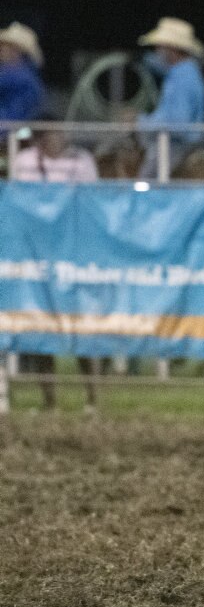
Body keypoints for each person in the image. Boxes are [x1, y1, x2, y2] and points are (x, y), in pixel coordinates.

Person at [11, 116, 102, 410]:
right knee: (40, 330)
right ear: (41, 136)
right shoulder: (24, 161)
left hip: (74, 257)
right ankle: (49, 401)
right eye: (55, 132)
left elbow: (94, 203)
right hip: (37, 258)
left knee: (81, 330)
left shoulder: (83, 161)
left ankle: (92, 399)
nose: (62, 137)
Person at [134, 18, 204, 178]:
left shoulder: (183, 77)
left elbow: (177, 122)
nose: (157, 51)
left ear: (171, 48)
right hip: (176, 144)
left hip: (174, 147)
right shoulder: (182, 73)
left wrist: (139, 121)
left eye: (160, 46)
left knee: (145, 182)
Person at [0, 22, 45, 132]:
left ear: (16, 50)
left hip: (11, 137)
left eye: (5, 46)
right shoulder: (28, 76)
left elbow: (13, 117)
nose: (1, 50)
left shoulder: (23, 78)